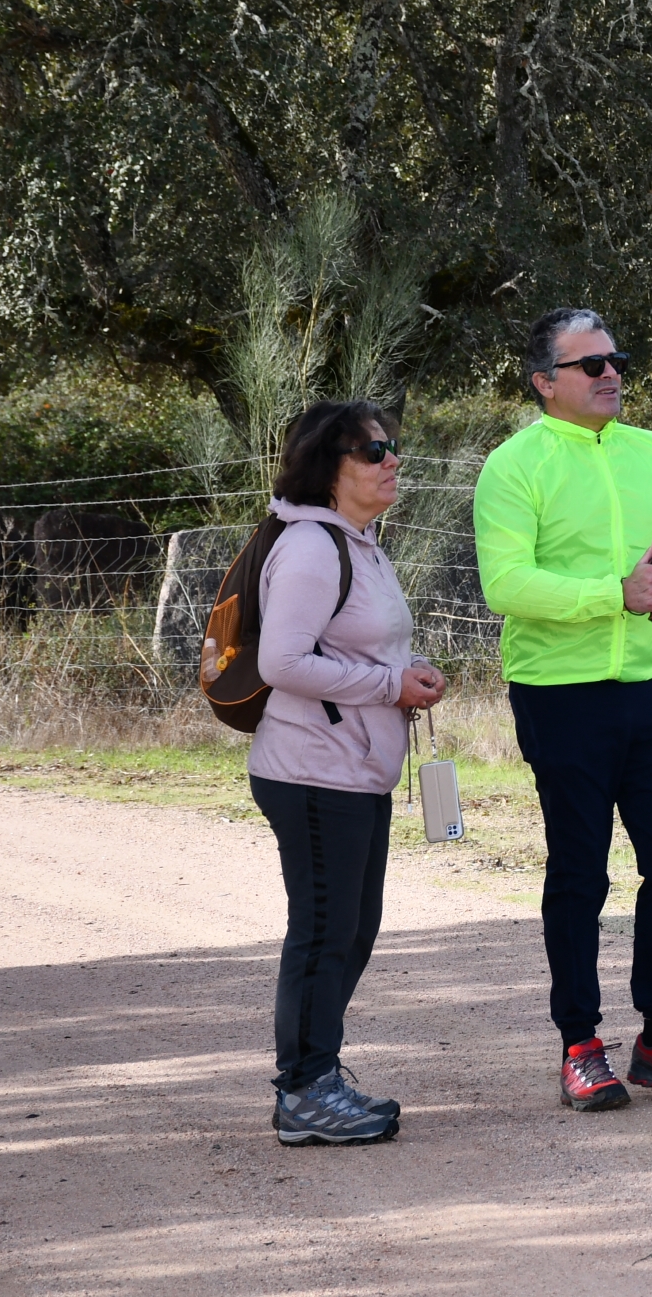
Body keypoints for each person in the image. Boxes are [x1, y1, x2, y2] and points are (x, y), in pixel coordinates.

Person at [473, 307, 652, 1109]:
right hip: (559, 694)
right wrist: (612, 593)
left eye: (615, 359)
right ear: (544, 380)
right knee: (580, 870)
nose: (610, 373)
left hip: (651, 688)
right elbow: (506, 583)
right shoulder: (513, 464)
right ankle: (579, 1042)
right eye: (590, 363)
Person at [251, 401, 447, 1145]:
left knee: (351, 930)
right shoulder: (310, 546)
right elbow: (282, 662)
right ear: (328, 468)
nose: (392, 459)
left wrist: (407, 670)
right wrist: (390, 686)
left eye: (392, 446)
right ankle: (304, 1092)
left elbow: (356, 648)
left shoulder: (358, 543)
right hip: (311, 770)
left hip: (353, 769)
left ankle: (317, 1078)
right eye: (372, 451)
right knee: (325, 931)